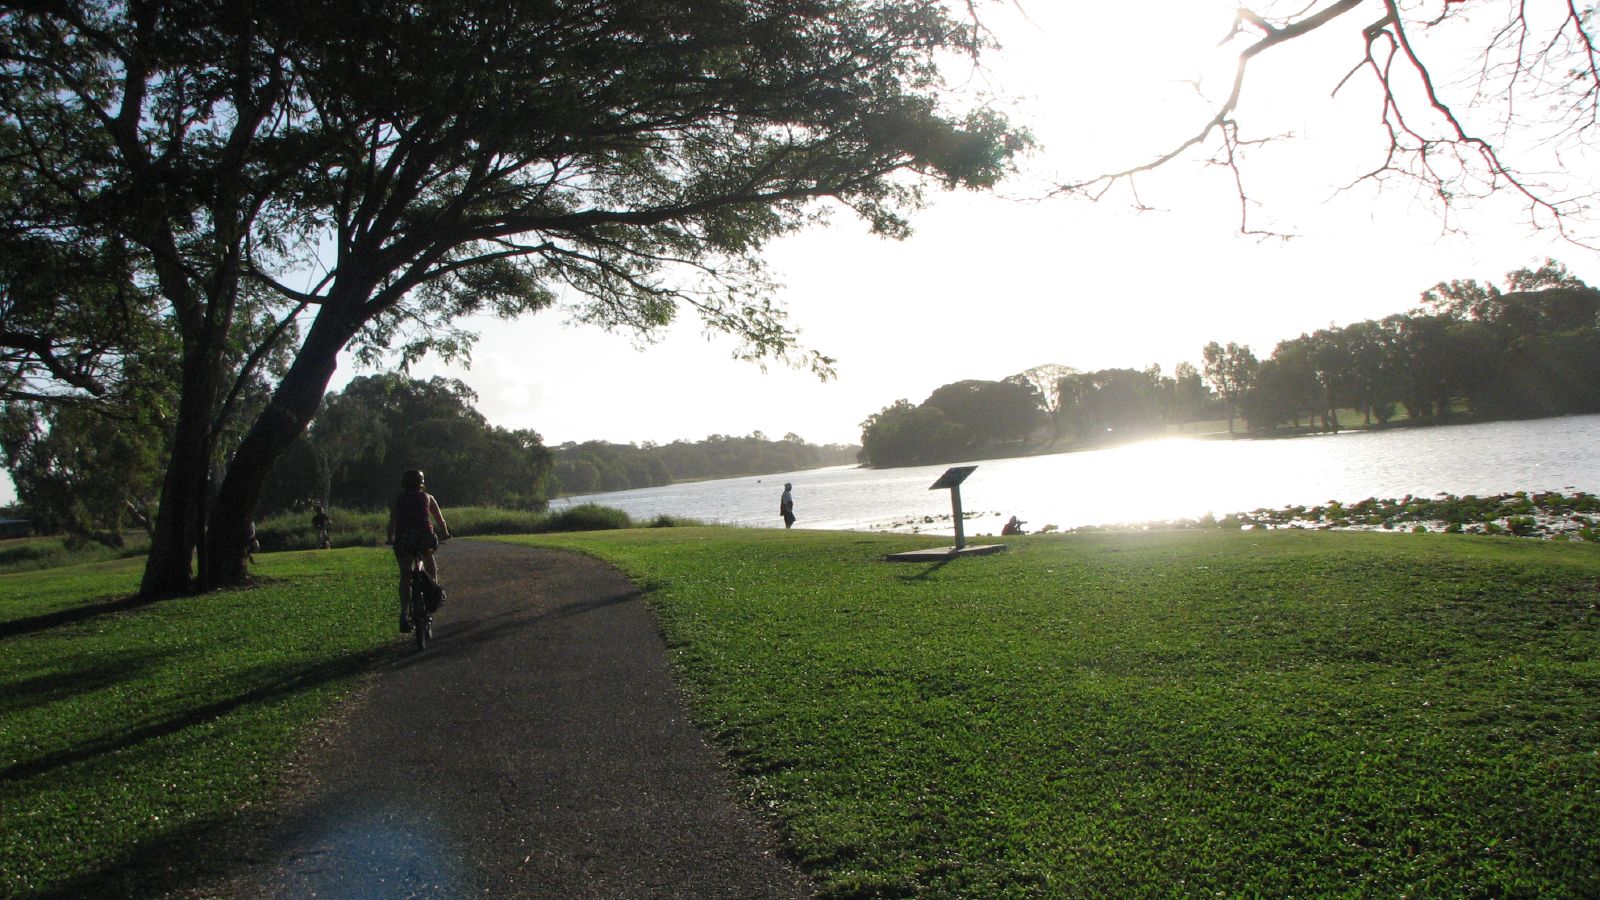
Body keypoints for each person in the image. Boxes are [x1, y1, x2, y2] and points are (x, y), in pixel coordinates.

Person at [386, 469, 451, 633]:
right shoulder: (428, 497)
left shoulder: (398, 500)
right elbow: (440, 520)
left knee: (405, 575)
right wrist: (445, 534)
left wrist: (390, 538)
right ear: (421, 483)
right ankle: (433, 593)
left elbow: (392, 522)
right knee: (429, 561)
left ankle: (403, 614)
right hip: (424, 538)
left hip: (404, 540)